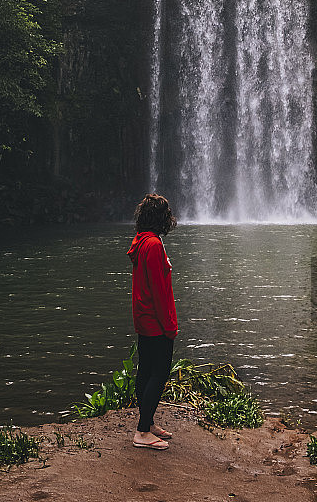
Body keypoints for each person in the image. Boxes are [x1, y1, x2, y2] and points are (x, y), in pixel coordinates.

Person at [127, 193, 178, 450]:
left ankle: (147, 422)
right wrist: (169, 326)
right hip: (156, 321)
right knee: (159, 373)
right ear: (162, 218)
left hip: (144, 317)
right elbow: (159, 290)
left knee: (145, 370)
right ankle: (142, 432)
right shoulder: (154, 246)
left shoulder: (142, 241)